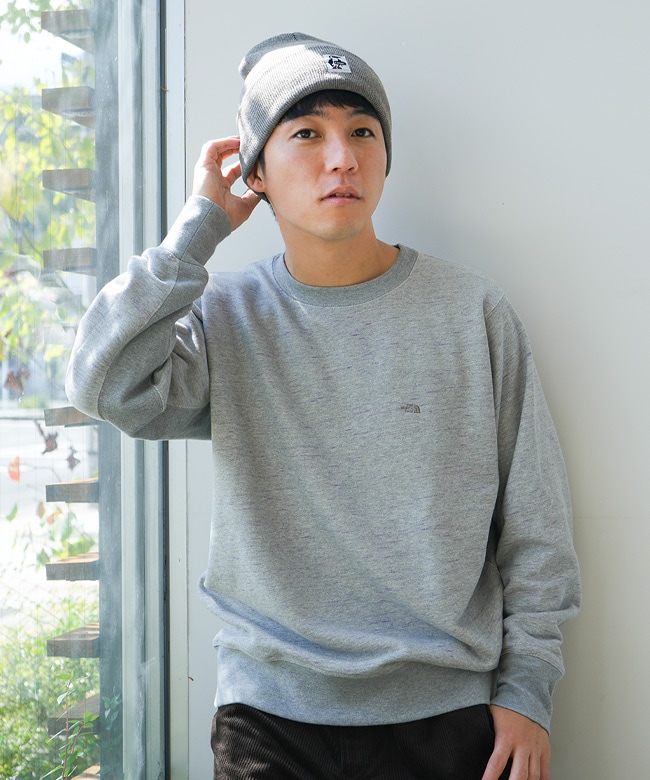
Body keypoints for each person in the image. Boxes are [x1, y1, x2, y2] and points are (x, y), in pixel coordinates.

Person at [66, 32, 581, 780]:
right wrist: (196, 231)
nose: (342, 157)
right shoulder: (224, 317)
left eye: (362, 132)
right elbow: (102, 383)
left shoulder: (471, 311)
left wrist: (528, 691)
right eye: (306, 133)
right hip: (269, 718)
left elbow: (537, 526)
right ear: (255, 172)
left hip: (446, 715)